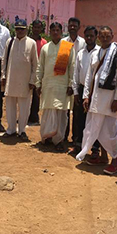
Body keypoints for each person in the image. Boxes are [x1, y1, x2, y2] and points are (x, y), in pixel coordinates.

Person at [76, 26, 117, 175]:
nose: (105, 39)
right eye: (102, 36)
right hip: (96, 98)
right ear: (98, 38)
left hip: (109, 100)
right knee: (96, 129)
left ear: (112, 36)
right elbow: (89, 77)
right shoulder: (95, 53)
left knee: (109, 131)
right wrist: (86, 96)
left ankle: (115, 161)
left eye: (107, 36)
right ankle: (103, 157)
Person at [36, 22, 75, 152]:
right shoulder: (45, 48)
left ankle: (58, 140)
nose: (55, 32)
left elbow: (72, 66)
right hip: (48, 85)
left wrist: (70, 84)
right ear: (50, 32)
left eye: (58, 30)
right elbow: (40, 66)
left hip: (62, 86)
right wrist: (38, 83)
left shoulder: (67, 47)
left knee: (61, 114)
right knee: (47, 112)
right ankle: (47, 137)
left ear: (61, 31)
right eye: (53, 30)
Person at [1, 19, 38, 141]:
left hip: (25, 81)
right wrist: (3, 76)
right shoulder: (10, 42)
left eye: (22, 29)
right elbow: (4, 60)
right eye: (17, 29)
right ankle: (11, 129)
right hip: (11, 79)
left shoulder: (31, 43)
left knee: (24, 108)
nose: (20, 31)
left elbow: (35, 64)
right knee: (10, 106)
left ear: (26, 29)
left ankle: (22, 130)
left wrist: (32, 80)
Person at [69, 25, 100, 155]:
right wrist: (76, 92)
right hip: (81, 89)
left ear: (96, 37)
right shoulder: (80, 53)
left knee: (94, 120)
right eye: (87, 36)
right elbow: (76, 73)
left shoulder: (100, 53)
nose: (89, 38)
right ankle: (77, 144)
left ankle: (95, 148)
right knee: (78, 118)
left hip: (95, 91)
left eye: (91, 36)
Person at [63, 17, 85, 143]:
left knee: (77, 113)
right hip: (65, 82)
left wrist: (74, 84)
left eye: (74, 26)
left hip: (79, 82)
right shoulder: (63, 42)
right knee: (65, 111)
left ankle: (76, 139)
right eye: (70, 25)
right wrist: (68, 83)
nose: (72, 27)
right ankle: (64, 136)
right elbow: (62, 64)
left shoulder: (83, 43)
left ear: (78, 27)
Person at [28, 20, 47, 125]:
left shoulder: (44, 43)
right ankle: (24, 116)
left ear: (41, 29)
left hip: (38, 71)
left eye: (39, 27)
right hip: (27, 70)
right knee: (26, 94)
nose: (36, 29)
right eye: (35, 27)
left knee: (36, 95)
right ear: (32, 28)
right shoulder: (26, 40)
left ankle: (34, 116)